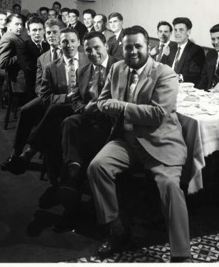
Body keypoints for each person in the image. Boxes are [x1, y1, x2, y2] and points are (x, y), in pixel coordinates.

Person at [87, 25, 191, 262]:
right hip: (126, 141)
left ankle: (181, 254)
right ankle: (117, 228)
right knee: (97, 167)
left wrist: (121, 107)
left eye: (138, 46)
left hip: (160, 142)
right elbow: (103, 101)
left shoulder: (165, 73)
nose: (133, 51)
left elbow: (158, 114)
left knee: (170, 187)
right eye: (128, 46)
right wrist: (109, 105)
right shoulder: (116, 68)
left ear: (149, 48)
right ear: (121, 47)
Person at [39, 31, 116, 228]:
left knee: (77, 136)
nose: (93, 52)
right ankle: (73, 171)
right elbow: (76, 100)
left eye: (97, 47)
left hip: (111, 124)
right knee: (68, 122)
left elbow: (124, 101)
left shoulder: (119, 68)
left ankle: (70, 185)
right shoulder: (83, 70)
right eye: (88, 49)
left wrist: (101, 107)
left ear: (106, 45)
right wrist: (85, 109)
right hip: (88, 119)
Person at [0, 28, 87, 175]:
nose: (69, 45)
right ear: (60, 44)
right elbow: (43, 91)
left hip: (80, 104)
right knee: (30, 110)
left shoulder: (88, 60)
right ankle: (17, 152)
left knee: (53, 112)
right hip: (59, 100)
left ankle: (30, 151)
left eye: (73, 41)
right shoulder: (48, 62)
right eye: (65, 41)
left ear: (79, 42)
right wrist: (65, 98)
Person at [163, 17, 205, 86]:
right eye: (175, 30)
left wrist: (179, 77)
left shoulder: (196, 50)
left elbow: (195, 76)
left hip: (183, 88)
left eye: (181, 30)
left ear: (188, 32)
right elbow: (163, 68)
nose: (177, 33)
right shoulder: (171, 47)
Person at [17, 16, 50, 101]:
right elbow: (27, 67)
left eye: (40, 29)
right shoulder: (23, 46)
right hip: (32, 83)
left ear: (44, 31)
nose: (37, 33)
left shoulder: (48, 46)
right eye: (34, 30)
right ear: (28, 32)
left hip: (48, 82)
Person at [0, 14, 26, 95]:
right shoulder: (8, 38)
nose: (20, 27)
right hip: (17, 79)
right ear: (8, 25)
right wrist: (21, 55)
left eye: (21, 24)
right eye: (17, 24)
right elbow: (3, 63)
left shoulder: (15, 36)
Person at [35, 18, 62, 96]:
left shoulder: (69, 52)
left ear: (61, 33)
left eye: (55, 32)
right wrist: (43, 96)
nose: (51, 35)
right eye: (48, 33)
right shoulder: (41, 58)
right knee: (24, 108)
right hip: (49, 97)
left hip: (68, 97)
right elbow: (38, 84)